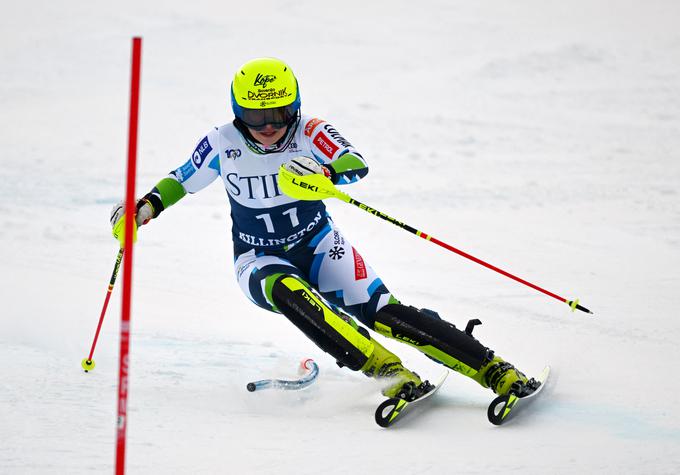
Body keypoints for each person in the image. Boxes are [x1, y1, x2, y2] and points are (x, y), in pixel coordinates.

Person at [111, 57, 533, 401]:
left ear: (294, 104)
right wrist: (144, 209)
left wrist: (324, 170)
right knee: (291, 295)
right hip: (258, 257)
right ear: (237, 112)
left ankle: (495, 370)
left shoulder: (310, 130)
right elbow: (182, 179)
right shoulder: (222, 142)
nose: (269, 125)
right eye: (255, 115)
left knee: (384, 313)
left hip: (318, 244)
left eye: (278, 112)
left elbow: (356, 162)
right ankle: (387, 371)